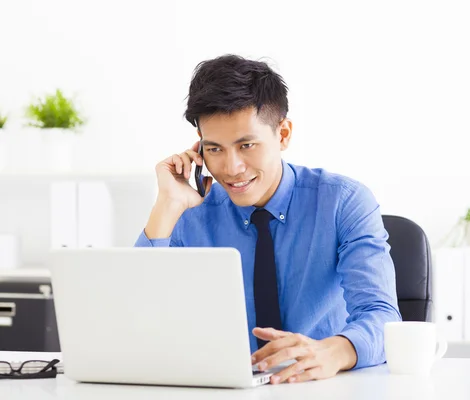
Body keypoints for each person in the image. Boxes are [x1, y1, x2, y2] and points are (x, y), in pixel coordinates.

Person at [134, 54, 401, 384]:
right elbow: (136, 318)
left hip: (322, 387)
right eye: (214, 149)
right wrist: (167, 205)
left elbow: (382, 315)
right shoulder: (191, 211)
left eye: (247, 145)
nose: (231, 168)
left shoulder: (342, 202)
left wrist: (334, 351)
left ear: (283, 134)